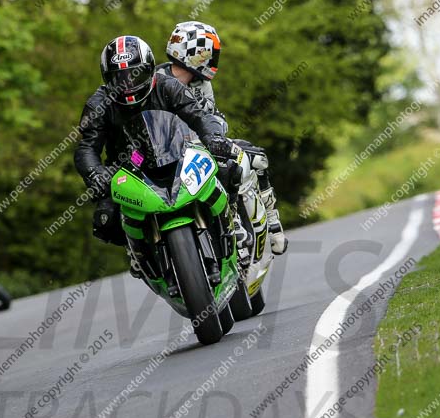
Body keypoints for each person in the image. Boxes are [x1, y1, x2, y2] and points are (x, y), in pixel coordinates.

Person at [73, 35, 248, 275]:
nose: (128, 84)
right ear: (106, 78)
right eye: (119, 78)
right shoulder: (98, 105)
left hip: (178, 152)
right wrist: (95, 173)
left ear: (149, 69)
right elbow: (87, 147)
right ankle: (135, 250)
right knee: (106, 218)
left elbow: (198, 115)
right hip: (130, 166)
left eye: (135, 75)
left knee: (228, 167)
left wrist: (213, 138)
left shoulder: (167, 86)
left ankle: (232, 222)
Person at [158, 21, 287, 255]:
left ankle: (269, 222)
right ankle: (137, 250)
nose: (211, 60)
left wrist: (217, 130)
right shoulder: (155, 80)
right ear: (189, 53)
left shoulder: (202, 83)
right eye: (207, 54)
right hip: (165, 153)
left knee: (255, 159)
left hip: (201, 145)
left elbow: (210, 117)